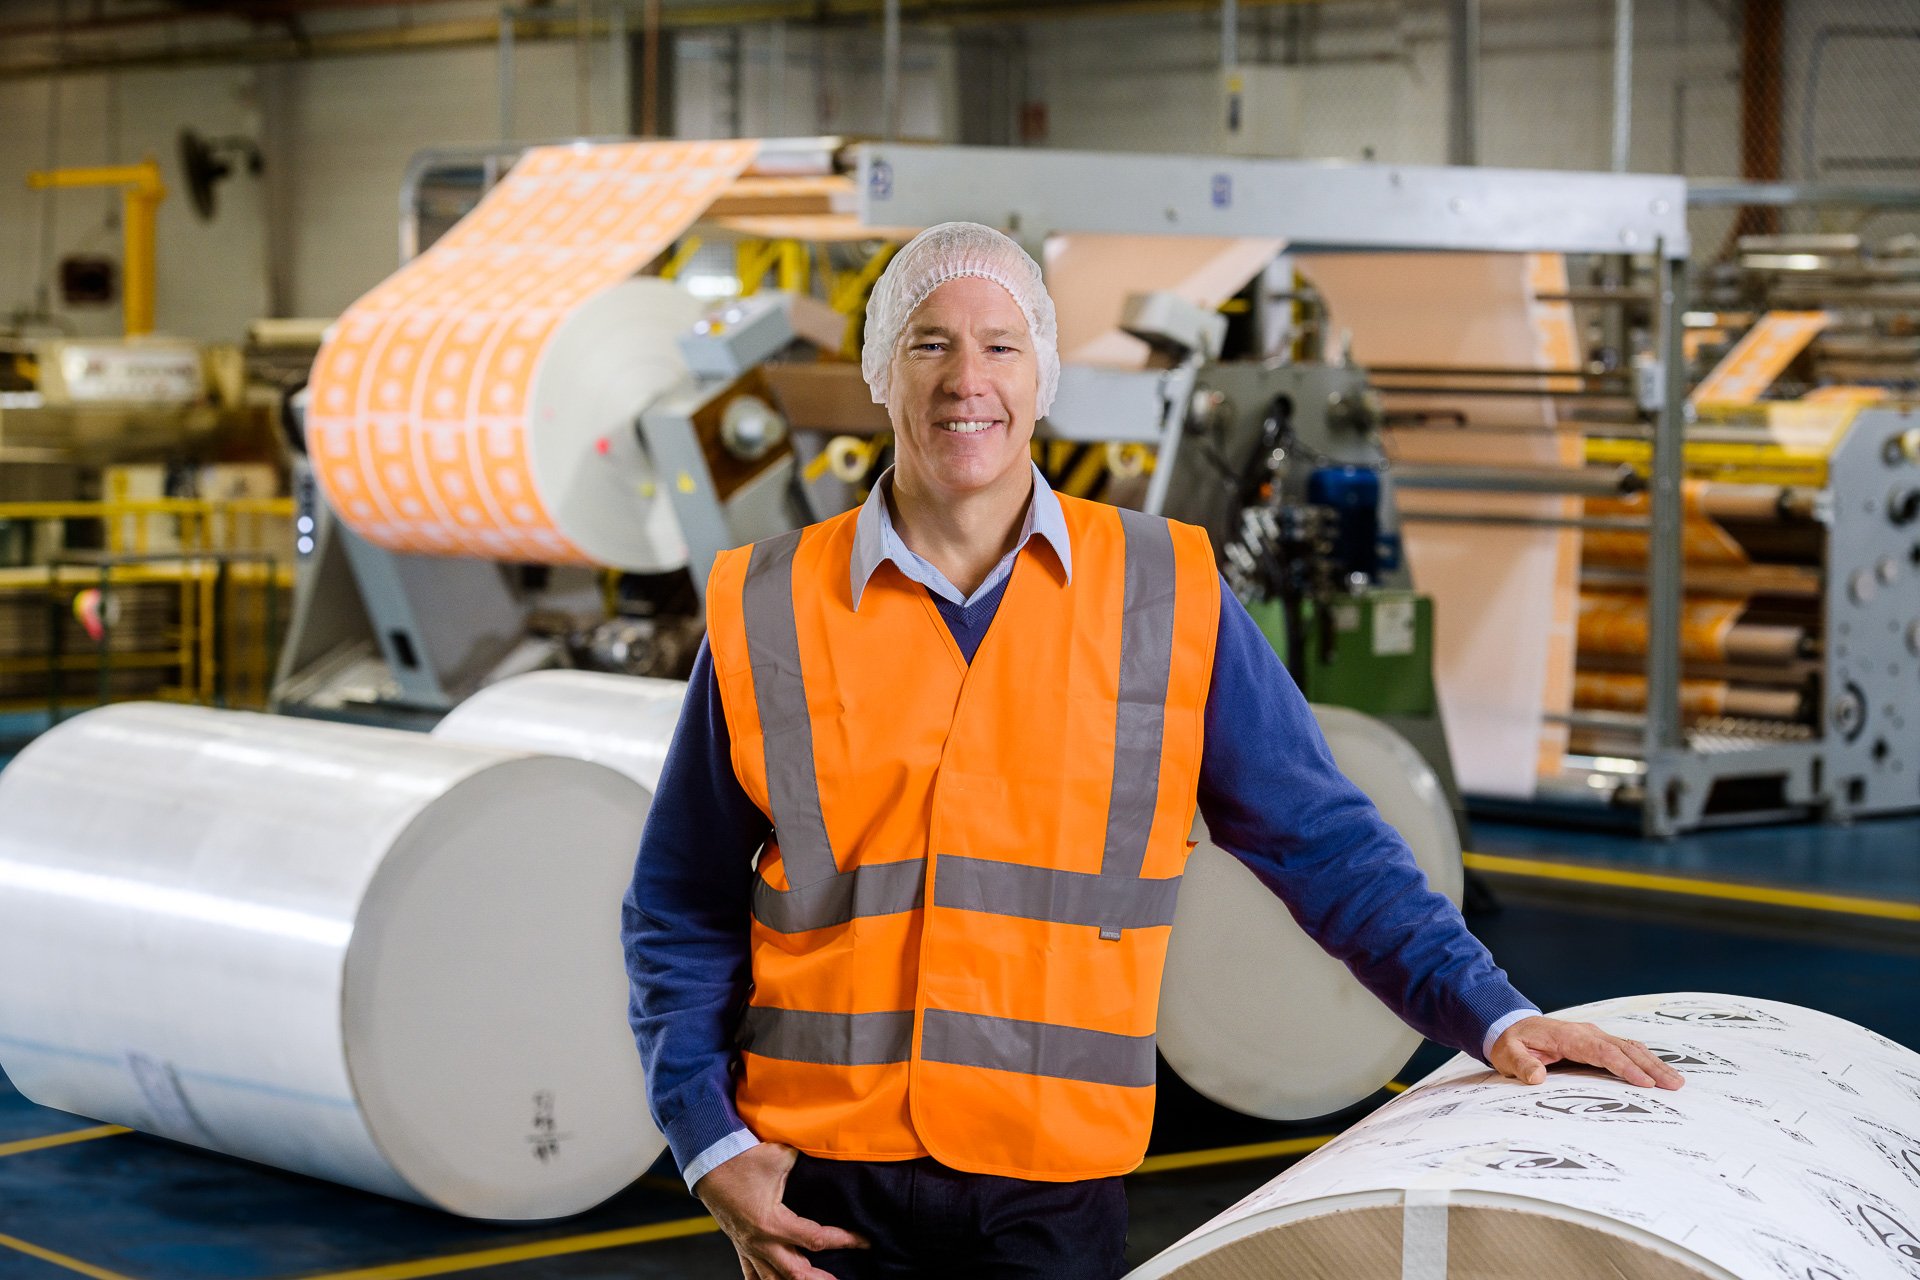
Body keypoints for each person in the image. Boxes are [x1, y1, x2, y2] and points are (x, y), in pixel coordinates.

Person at [622, 222, 1684, 1280]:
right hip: (821, 1189)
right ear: (878, 374)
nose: (966, 380)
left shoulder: (1163, 592)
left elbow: (1321, 837)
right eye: (929, 343)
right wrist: (708, 1138)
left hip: (1049, 1189)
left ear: (1042, 378)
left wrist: (1492, 1010)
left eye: (1001, 345)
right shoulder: (770, 604)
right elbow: (680, 899)